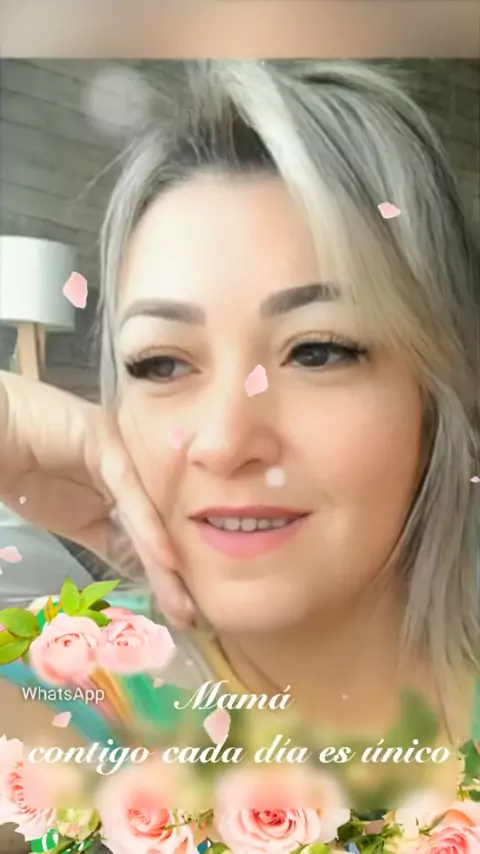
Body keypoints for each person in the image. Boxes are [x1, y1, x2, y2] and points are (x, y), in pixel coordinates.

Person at [0, 59, 479, 850]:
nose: (224, 442)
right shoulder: (64, 697)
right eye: (161, 363)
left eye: (318, 351)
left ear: (436, 393)